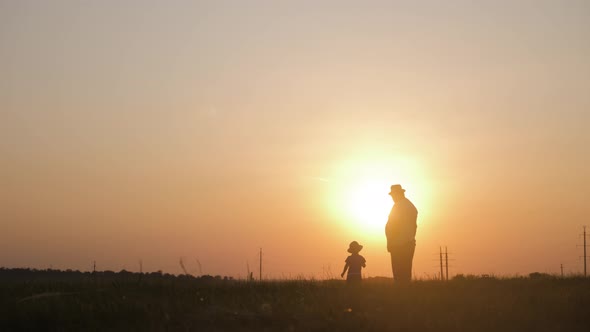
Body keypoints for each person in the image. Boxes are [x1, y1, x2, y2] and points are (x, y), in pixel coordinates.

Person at [385, 184, 418, 284]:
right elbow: (414, 227)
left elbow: (392, 226)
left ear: (398, 194)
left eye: (393, 195)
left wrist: (390, 242)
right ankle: (405, 295)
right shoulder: (410, 206)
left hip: (398, 244)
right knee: (405, 272)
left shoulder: (398, 206)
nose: (392, 198)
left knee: (399, 274)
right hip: (408, 243)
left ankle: (400, 295)